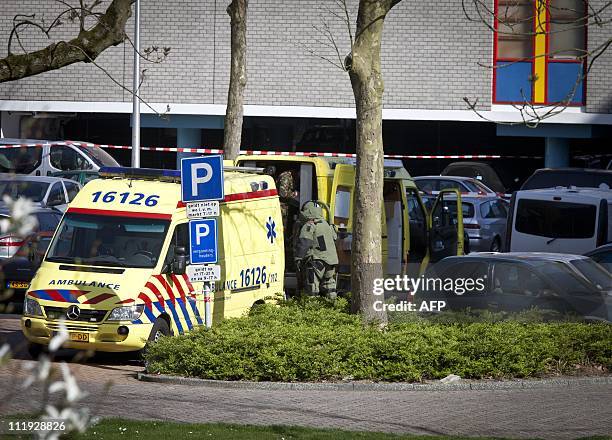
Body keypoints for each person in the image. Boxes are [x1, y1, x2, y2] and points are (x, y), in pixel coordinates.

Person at [293, 200, 338, 300]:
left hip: (316, 262)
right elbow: (334, 238)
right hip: (331, 262)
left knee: (312, 288)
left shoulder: (309, 225)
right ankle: (333, 307)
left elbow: (305, 242)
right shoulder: (326, 225)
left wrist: (298, 258)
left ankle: (312, 310)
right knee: (329, 286)